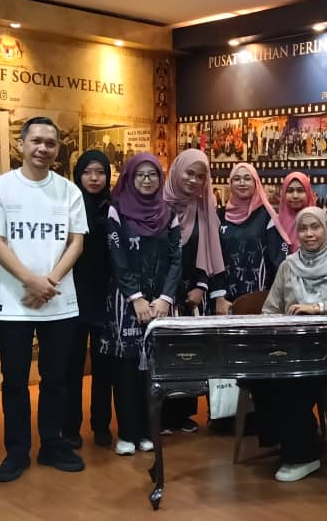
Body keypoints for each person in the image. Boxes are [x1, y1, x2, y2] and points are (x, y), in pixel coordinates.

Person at [0, 117, 88, 483]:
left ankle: (52, 445)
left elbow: (76, 243)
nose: (43, 148)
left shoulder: (69, 191)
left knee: (56, 379)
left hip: (59, 301)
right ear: (21, 144)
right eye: (36, 141)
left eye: (50, 143)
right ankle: (17, 451)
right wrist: (30, 281)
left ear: (57, 149)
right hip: (14, 303)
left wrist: (48, 282)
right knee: (14, 382)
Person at [258, 207, 327, 482]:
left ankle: (301, 455)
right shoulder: (288, 266)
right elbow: (270, 309)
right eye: (303, 228)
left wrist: (319, 307)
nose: (309, 234)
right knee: (264, 377)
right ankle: (293, 441)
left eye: (315, 227)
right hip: (293, 348)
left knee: (294, 380)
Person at [103, 153, 181, 455]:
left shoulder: (168, 213)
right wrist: (135, 297)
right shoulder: (117, 211)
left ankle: (149, 431)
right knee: (126, 371)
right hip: (127, 303)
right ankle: (127, 433)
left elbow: (176, 259)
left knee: (153, 370)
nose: (147, 180)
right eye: (140, 175)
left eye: (152, 175)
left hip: (160, 303)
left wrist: (165, 298)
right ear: (130, 177)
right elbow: (116, 257)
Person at [161, 149, 226, 434]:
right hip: (162, 292)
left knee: (189, 354)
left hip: (193, 295)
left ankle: (182, 414)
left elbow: (209, 250)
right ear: (177, 171)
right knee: (163, 354)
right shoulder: (158, 205)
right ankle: (161, 414)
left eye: (200, 177)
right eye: (189, 173)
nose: (194, 180)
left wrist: (201, 286)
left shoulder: (202, 208)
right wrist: (165, 292)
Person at [62, 151, 115, 450]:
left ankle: (101, 425)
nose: (94, 178)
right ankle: (70, 427)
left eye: (100, 172)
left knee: (103, 367)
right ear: (78, 174)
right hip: (72, 296)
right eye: (87, 172)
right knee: (71, 366)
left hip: (105, 297)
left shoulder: (114, 207)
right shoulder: (67, 205)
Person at [213, 164, 287, 315]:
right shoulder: (219, 216)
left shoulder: (267, 217)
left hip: (259, 301)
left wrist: (275, 299)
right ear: (230, 184)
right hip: (224, 301)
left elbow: (278, 260)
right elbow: (213, 257)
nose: (242, 183)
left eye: (247, 178)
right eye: (237, 179)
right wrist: (218, 295)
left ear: (256, 183)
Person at [277, 172, 317, 254]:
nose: (295, 196)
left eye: (300, 190)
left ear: (308, 193)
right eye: (290, 191)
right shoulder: (274, 225)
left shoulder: (321, 223)